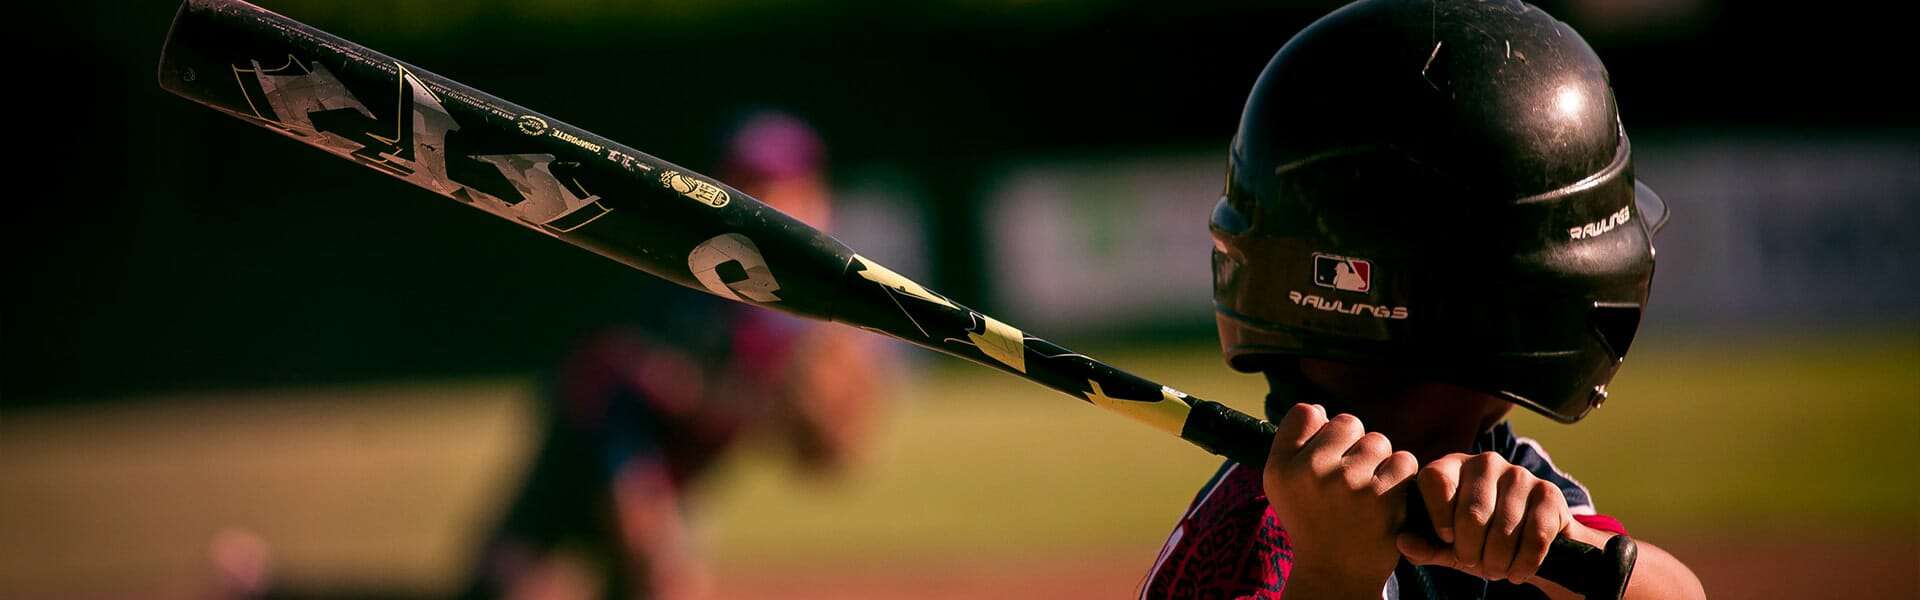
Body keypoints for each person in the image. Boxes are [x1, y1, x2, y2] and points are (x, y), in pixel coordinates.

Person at [1140, 1, 1706, 598]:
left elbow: (1681, 594)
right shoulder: (1248, 547)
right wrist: (1334, 577)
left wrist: (1562, 540)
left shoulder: (1491, 471)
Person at [463, 111, 890, 600]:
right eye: (749, 186)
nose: (769, 204)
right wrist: (640, 481)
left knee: (654, 582)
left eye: (783, 187)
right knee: (506, 582)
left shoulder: (821, 316)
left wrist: (819, 422)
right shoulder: (686, 280)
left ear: (819, 195)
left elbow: (821, 450)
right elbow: (607, 375)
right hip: (592, 450)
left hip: (677, 469)